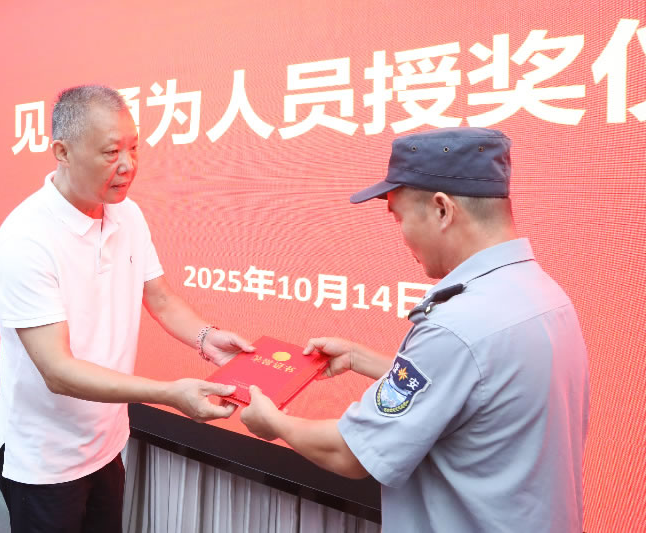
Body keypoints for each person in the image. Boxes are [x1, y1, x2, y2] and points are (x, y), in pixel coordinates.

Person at [241, 127, 589, 532]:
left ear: (442, 210)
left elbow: (349, 454)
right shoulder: (543, 294)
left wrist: (274, 423)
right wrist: (359, 358)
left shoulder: (457, 326)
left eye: (400, 217)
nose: (403, 236)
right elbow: (473, 387)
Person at [0, 85, 254, 533]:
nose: (128, 165)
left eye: (134, 148)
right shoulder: (25, 238)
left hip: (106, 444)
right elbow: (58, 371)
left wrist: (207, 337)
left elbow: (161, 298)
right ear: (62, 152)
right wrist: (169, 393)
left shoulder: (127, 214)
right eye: (111, 152)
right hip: (45, 460)